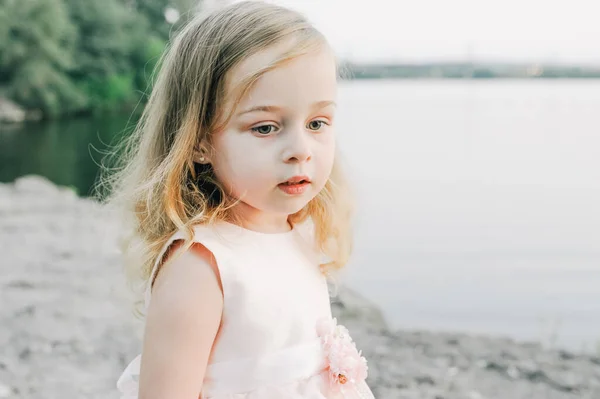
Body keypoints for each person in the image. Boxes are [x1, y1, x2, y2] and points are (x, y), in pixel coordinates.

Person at [108, 1, 375, 398]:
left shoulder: (295, 232)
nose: (301, 150)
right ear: (198, 141)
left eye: (317, 123)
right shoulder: (201, 266)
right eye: (266, 127)